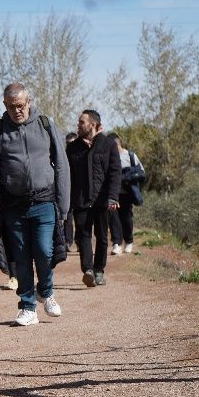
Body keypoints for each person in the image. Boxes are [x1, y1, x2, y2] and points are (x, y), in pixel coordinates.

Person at [0, 83, 70, 327]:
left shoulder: (45, 124)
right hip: (13, 206)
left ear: (28, 102)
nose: (17, 111)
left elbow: (62, 164)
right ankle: (28, 307)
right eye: (11, 107)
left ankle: (47, 291)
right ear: (5, 106)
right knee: (20, 258)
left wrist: (63, 205)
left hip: (44, 201)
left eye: (20, 105)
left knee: (44, 250)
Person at [67, 109, 121, 287]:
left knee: (102, 237)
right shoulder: (73, 148)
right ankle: (88, 270)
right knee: (83, 234)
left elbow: (115, 173)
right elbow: (68, 176)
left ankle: (99, 270)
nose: (78, 125)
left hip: (102, 200)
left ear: (93, 124)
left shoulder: (108, 145)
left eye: (82, 122)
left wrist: (112, 197)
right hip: (81, 199)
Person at [107, 132, 145, 255]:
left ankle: (129, 241)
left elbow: (142, 172)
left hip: (127, 194)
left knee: (126, 218)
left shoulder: (130, 156)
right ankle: (116, 244)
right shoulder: (108, 157)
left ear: (117, 144)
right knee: (113, 218)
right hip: (113, 193)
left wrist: (126, 177)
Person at [64, 132, 78, 251]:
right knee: (67, 217)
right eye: (68, 143)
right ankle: (67, 242)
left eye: (72, 143)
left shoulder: (81, 155)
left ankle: (80, 242)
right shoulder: (62, 155)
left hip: (79, 191)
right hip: (67, 190)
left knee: (79, 218)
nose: (70, 145)